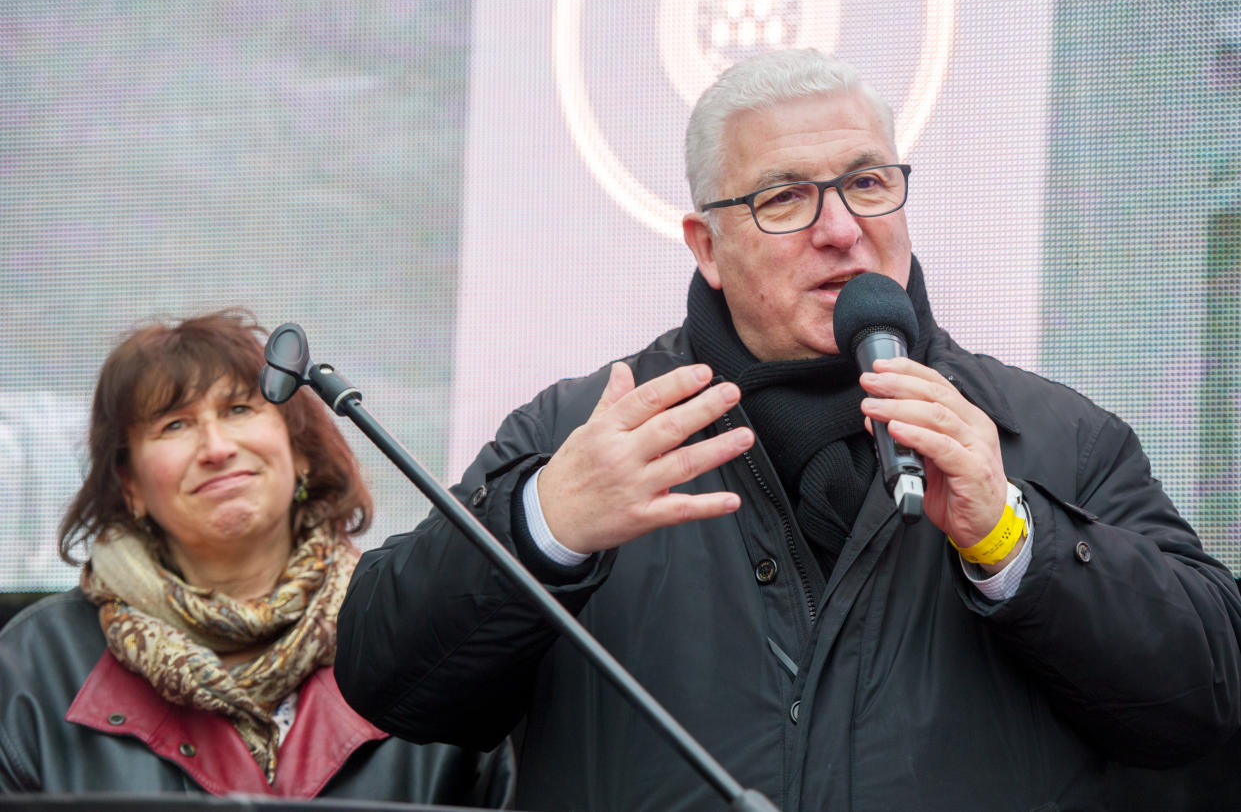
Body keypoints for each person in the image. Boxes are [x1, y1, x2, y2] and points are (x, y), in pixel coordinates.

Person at [333, 50, 1241, 811]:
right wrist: (539, 530)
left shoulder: (1048, 436)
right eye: (782, 198)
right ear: (704, 246)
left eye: (867, 183)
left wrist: (1011, 539)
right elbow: (387, 674)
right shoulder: (586, 428)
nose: (841, 228)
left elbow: (1204, 695)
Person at [0, 310, 514, 804]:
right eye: (174, 425)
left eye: (239, 409)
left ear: (301, 452)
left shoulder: (427, 633)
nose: (216, 447)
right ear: (129, 485)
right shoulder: (30, 667)